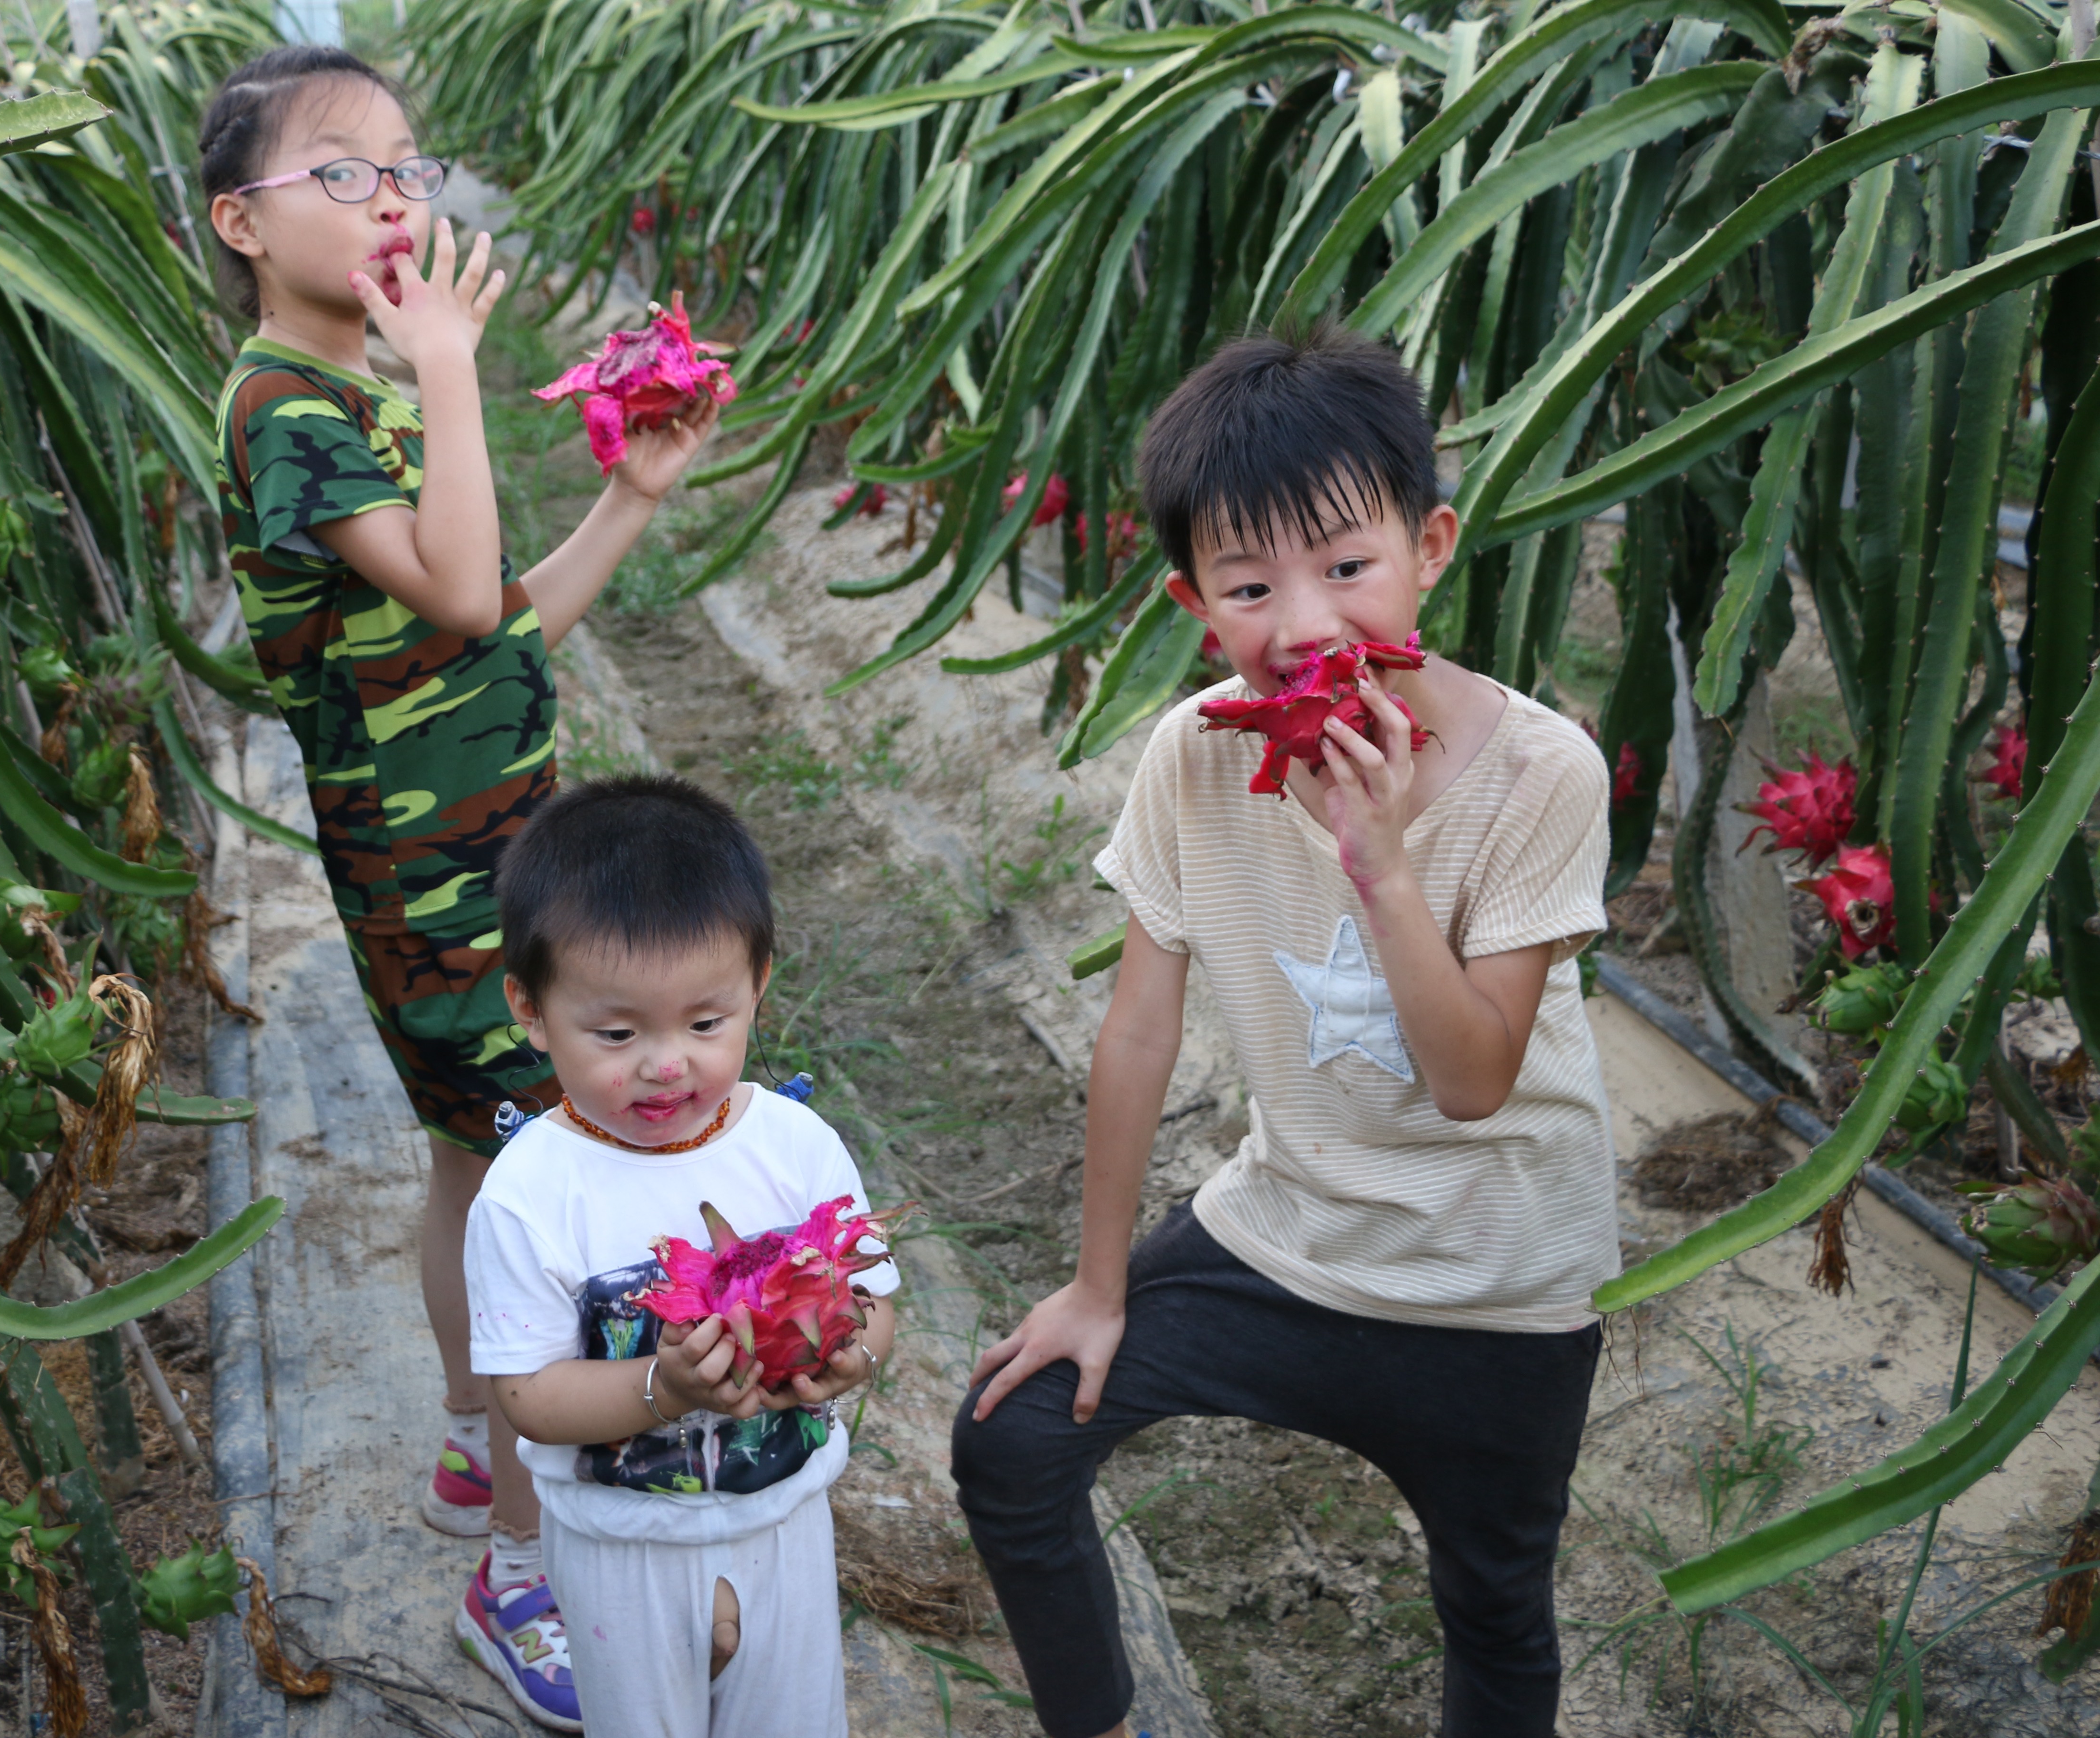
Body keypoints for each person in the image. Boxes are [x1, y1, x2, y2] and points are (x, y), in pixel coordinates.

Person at [952, 323, 1614, 1738]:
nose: (1305, 624)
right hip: (1288, 1238)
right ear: (1202, 605)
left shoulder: (1543, 772)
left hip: (1497, 1291)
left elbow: (1473, 1079)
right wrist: (1098, 1287)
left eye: (1347, 567)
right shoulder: (1197, 756)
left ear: (1431, 547)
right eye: (1253, 586)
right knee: (1011, 1433)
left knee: (1495, 1611)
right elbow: (1136, 1033)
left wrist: (1379, 863)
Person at [199, 46, 720, 1723]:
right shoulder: (290, 407)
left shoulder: (346, 388)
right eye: (340, 175)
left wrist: (629, 499)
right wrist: (451, 372)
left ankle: (464, 1436)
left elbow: (485, 628)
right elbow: (452, 580)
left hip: (477, 844)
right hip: (434, 880)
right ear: (240, 222)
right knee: (535, 1199)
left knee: (464, 1160)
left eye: (406, 169)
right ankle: (518, 1560)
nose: (393, 198)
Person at [465, 775, 899, 1735]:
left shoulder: (795, 1148)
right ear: (531, 1011)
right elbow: (526, 1393)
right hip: (620, 1544)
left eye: (706, 1024)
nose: (667, 1064)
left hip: (785, 1524)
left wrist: (847, 1354)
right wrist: (665, 1394)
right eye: (617, 1033)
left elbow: (873, 1294)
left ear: (759, 987)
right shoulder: (531, 1194)